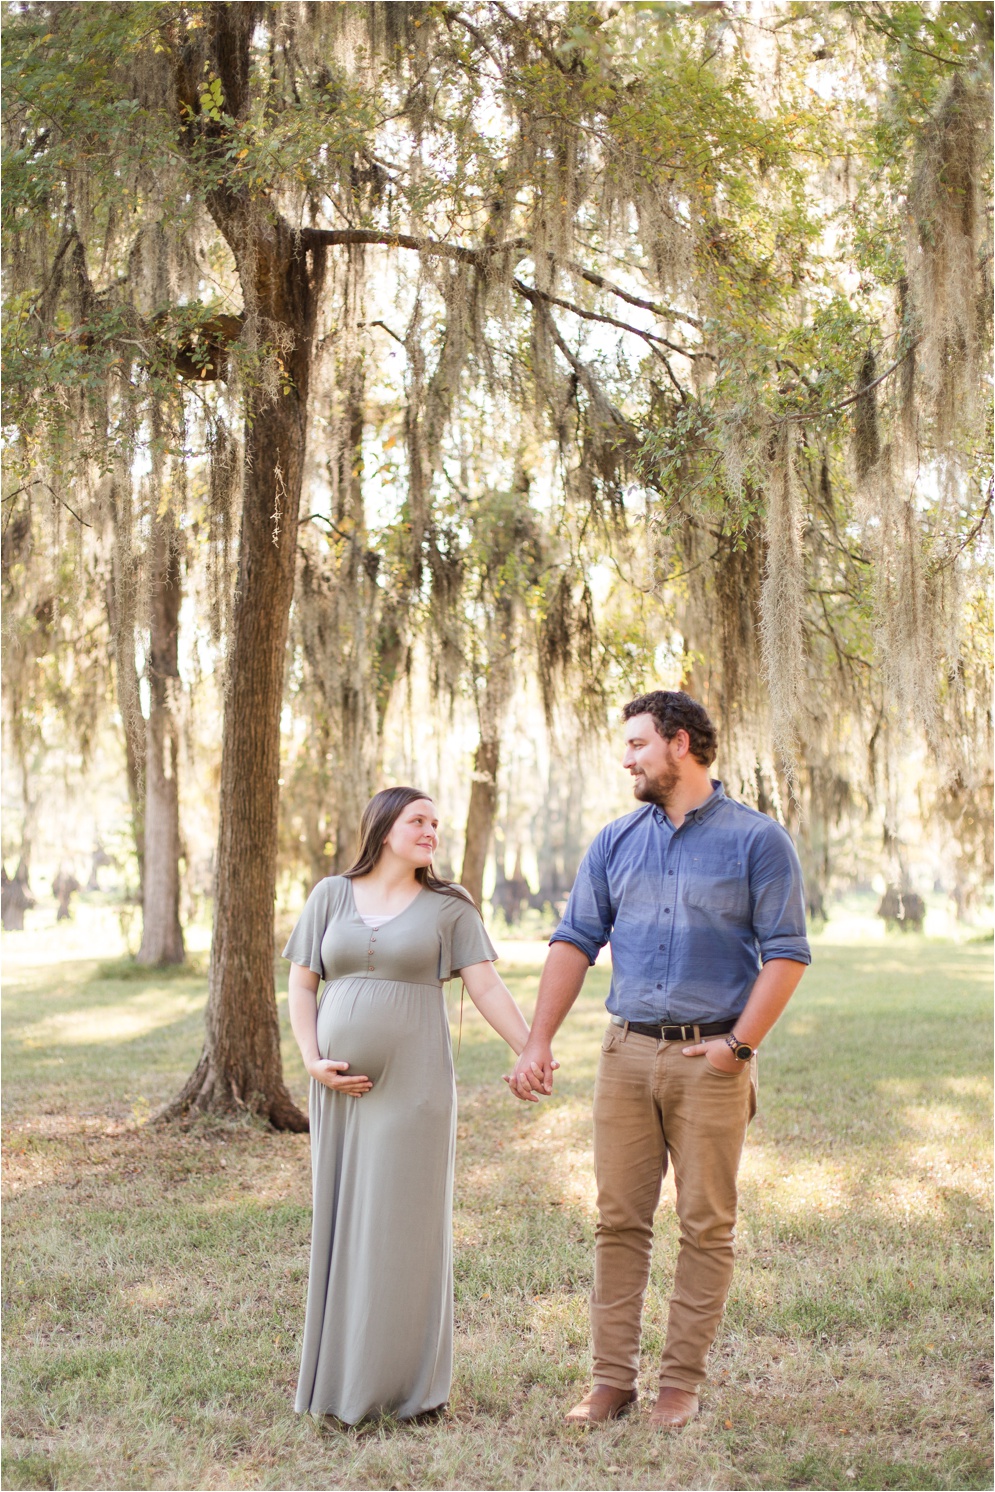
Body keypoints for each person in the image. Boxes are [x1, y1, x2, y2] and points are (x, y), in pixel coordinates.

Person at [507, 690, 811, 1429]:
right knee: (618, 1222)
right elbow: (574, 939)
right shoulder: (615, 840)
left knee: (705, 1226)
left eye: (637, 744)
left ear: (679, 743)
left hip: (710, 1059)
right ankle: (610, 1382)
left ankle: (679, 1385)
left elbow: (786, 955)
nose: (626, 759)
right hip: (625, 1054)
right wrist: (537, 1040)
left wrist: (738, 1048)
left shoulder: (757, 841)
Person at [284, 785, 537, 1425]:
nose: (431, 830)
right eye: (418, 820)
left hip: (417, 1081)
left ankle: (408, 1390)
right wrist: (312, 1059)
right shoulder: (329, 895)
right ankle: (339, 1382)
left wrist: (529, 1048)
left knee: (403, 1227)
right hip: (337, 1088)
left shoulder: (450, 906)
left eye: (436, 823)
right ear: (383, 825)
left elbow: (485, 984)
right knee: (344, 1224)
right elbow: (302, 981)